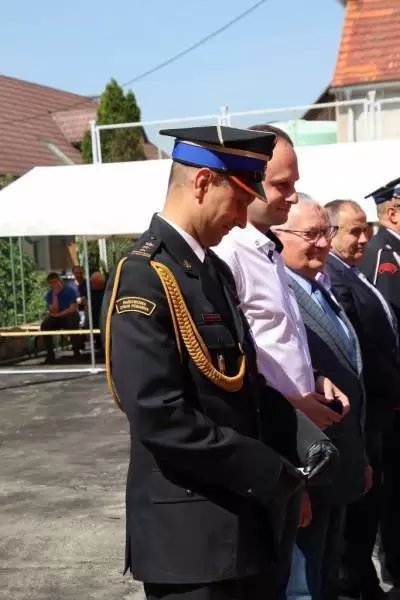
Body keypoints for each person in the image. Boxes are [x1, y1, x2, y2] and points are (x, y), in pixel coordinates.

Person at [102, 125, 338, 600]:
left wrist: (302, 437)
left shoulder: (214, 271)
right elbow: (160, 415)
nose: (242, 218)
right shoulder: (145, 276)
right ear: (203, 182)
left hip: (246, 525)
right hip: (190, 542)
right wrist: (266, 470)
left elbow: (244, 386)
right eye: (239, 199)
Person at [213, 125, 347, 598]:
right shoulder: (229, 256)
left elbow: (280, 345)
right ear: (247, 179)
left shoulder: (267, 251)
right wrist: (294, 407)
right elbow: (233, 369)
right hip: (273, 443)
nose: (291, 196)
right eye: (280, 184)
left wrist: (317, 379)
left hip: (299, 442)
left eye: (294, 183)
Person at [273, 196, 368, 600]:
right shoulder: (279, 293)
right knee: (303, 587)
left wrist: (360, 457)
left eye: (325, 233)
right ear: (278, 236)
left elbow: (350, 371)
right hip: (307, 467)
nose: (325, 243)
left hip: (338, 465)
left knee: (325, 580)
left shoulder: (318, 286)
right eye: (311, 234)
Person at [323, 200, 400, 600]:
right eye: (354, 231)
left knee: (371, 504)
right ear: (331, 233)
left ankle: (363, 582)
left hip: (378, 411)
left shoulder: (351, 273)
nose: (364, 238)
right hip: (366, 410)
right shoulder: (334, 277)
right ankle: (356, 584)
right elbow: (363, 351)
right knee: (358, 511)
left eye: (365, 229)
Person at [359, 178, 400, 590]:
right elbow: (387, 328)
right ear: (393, 212)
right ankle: (394, 565)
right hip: (391, 393)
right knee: (392, 485)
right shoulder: (385, 254)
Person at [41, 271, 81, 363]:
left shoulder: (69, 291)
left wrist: (59, 314)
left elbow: (73, 308)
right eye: (51, 283)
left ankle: (76, 351)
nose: (54, 284)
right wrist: (55, 295)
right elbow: (54, 310)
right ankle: (50, 354)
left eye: (55, 282)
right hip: (58, 317)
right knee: (45, 325)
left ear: (59, 281)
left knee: (72, 322)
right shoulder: (49, 295)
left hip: (70, 315)